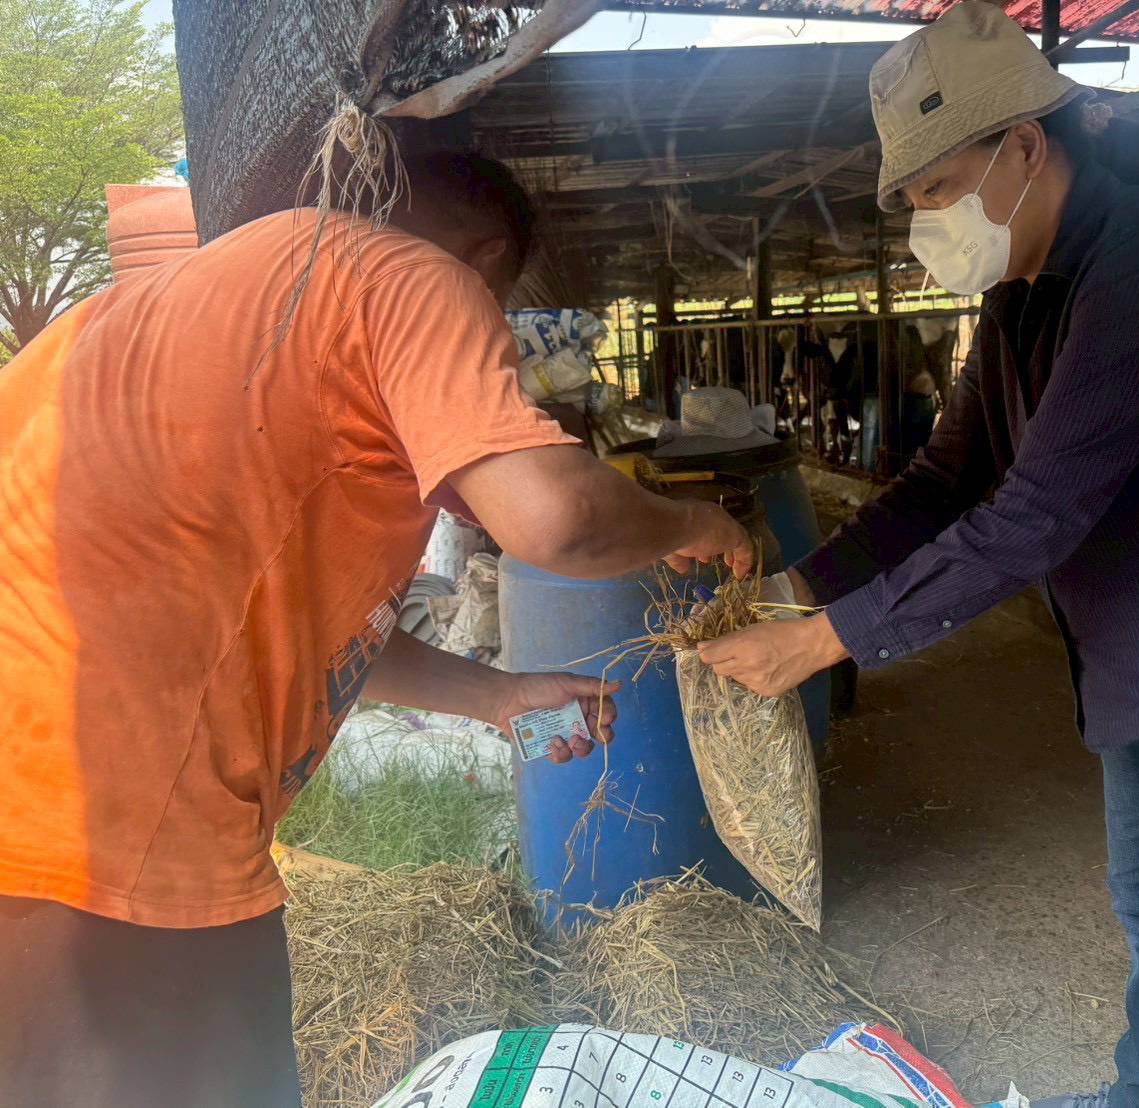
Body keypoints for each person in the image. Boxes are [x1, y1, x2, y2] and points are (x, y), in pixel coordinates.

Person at [696, 6, 1139, 1106]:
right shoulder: (1021, 301)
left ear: (1025, 148)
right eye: (914, 202)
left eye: (938, 189)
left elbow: (1032, 514)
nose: (927, 224)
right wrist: (797, 589)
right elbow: (944, 481)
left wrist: (824, 641)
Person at [0, 149, 753, 1105]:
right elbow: (555, 517)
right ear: (484, 263)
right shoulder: (402, 272)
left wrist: (499, 696)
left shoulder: (144, 316)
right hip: (100, 830)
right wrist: (690, 522)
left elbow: (296, 620)